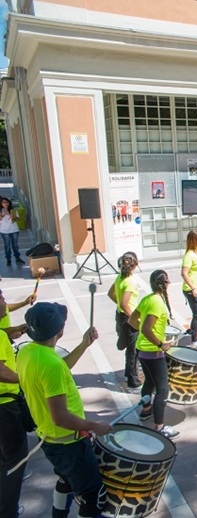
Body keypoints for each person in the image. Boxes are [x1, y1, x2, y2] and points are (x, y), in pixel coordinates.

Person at [17, 303, 112, 518]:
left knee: (65, 480)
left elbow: (59, 368)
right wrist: (94, 426)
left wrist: (84, 345)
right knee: (93, 496)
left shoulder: (28, 352)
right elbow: (60, 417)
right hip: (69, 444)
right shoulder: (52, 365)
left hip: (49, 439)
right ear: (59, 331)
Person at [128, 270, 180, 439]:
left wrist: (145, 336)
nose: (169, 283)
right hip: (153, 351)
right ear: (163, 283)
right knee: (162, 389)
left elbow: (132, 320)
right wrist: (160, 344)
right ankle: (159, 427)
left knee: (149, 382)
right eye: (168, 280)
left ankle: (146, 410)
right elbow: (145, 328)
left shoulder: (147, 299)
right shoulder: (157, 302)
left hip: (142, 350)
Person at [0, 292, 26, 518]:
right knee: (15, 464)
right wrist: (23, 379)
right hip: (5, 407)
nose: (5, 303)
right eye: (1, 299)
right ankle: (8, 512)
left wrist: (12, 331)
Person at [108, 251, 141, 388]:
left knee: (128, 347)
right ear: (135, 265)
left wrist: (119, 304)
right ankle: (133, 380)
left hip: (120, 316)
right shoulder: (130, 282)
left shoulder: (119, 278)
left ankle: (128, 372)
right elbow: (124, 303)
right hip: (128, 318)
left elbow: (110, 294)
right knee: (134, 349)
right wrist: (135, 319)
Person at [0, 198, 23, 266]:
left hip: (14, 230)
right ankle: (8, 259)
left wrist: (14, 217)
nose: (5, 204)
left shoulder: (13, 210)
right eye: (3, 202)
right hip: (4, 231)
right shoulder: (1, 210)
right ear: (1, 203)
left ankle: (17, 258)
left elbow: (18, 218)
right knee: (7, 246)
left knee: (15, 245)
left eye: (7, 202)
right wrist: (2, 215)